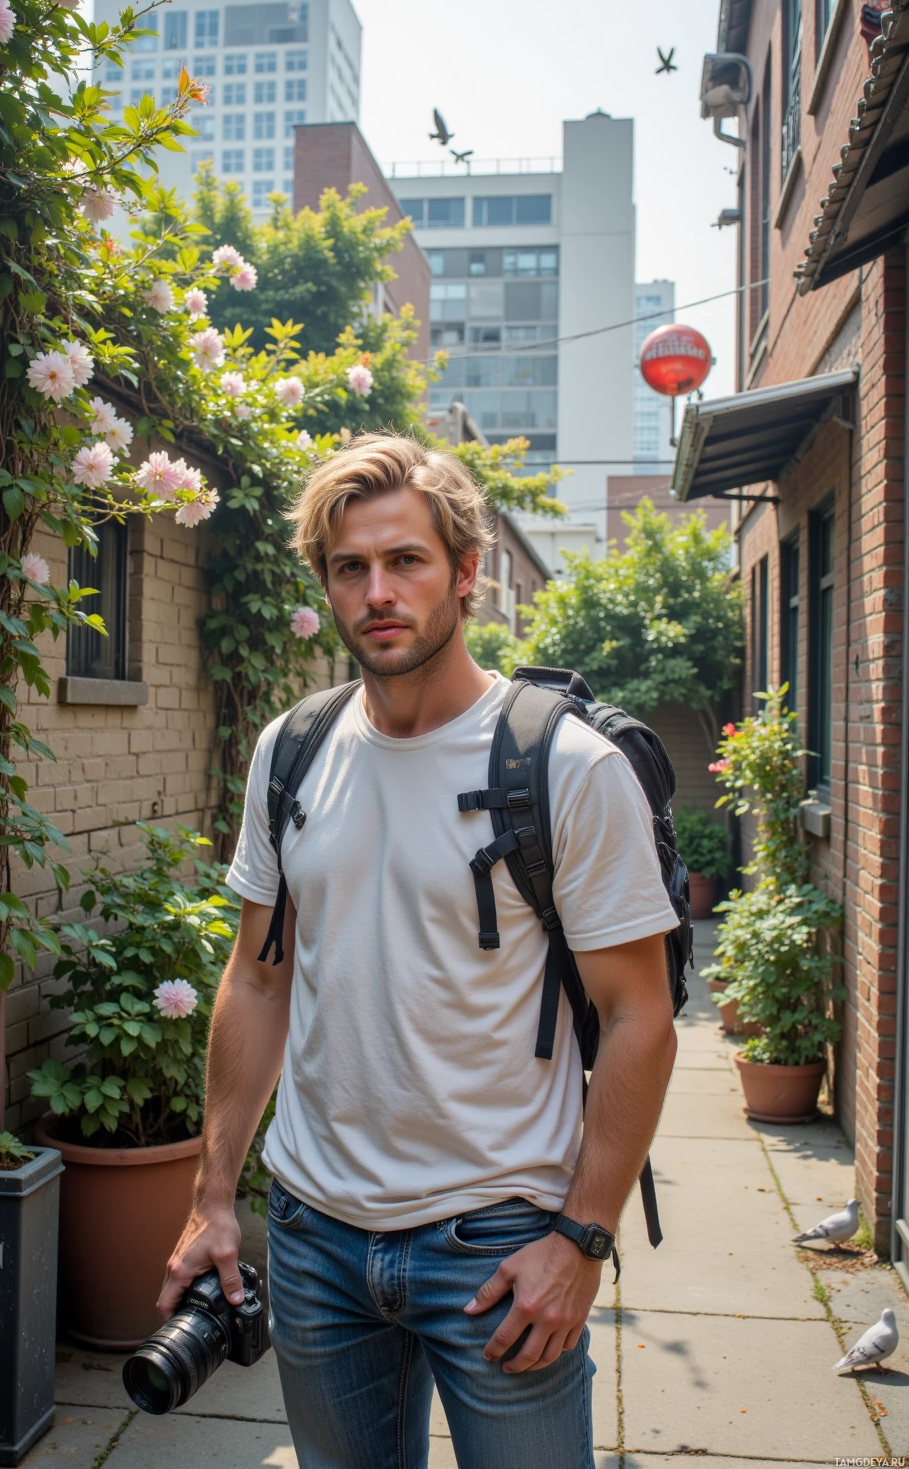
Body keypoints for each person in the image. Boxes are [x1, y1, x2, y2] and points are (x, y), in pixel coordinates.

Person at [158, 433, 679, 1468]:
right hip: (312, 1240)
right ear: (326, 584)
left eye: (406, 561)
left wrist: (581, 1240)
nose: (377, 592)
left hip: (496, 1244)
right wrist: (212, 1199)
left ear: (466, 574)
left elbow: (639, 1019)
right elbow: (257, 980)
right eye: (350, 568)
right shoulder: (291, 751)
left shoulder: (563, 766)